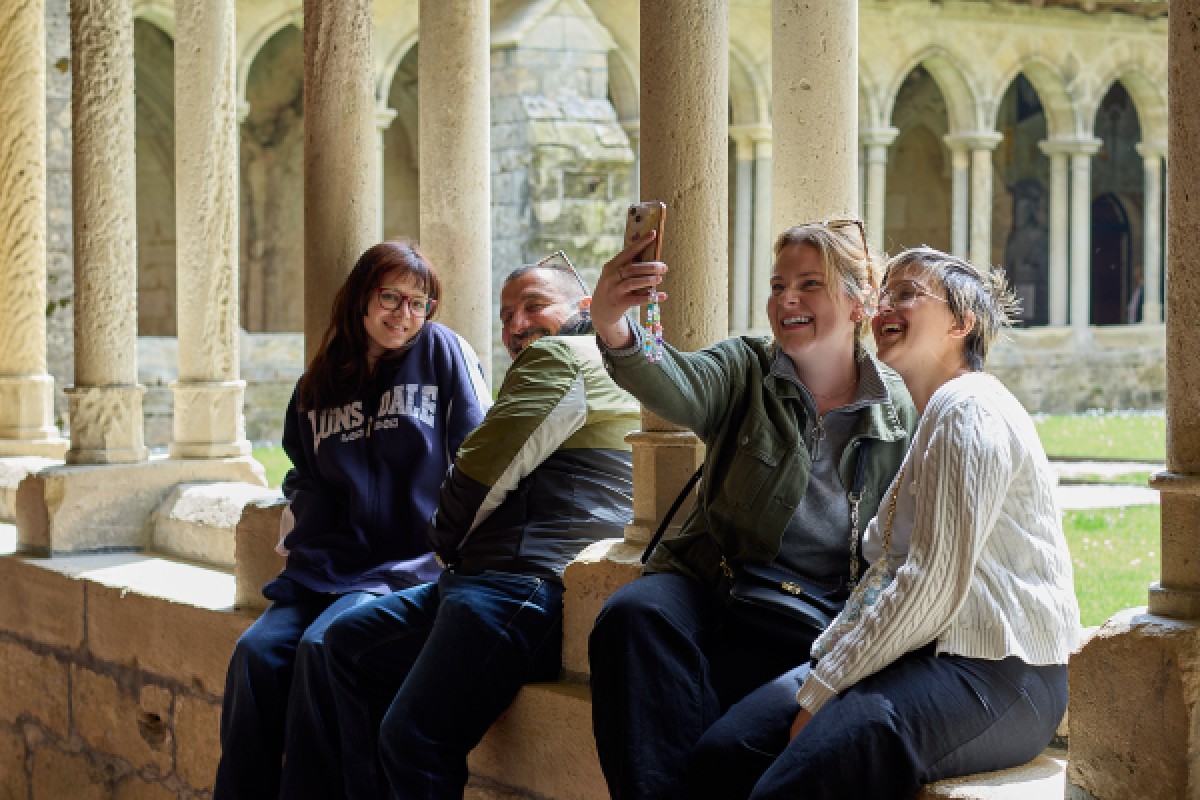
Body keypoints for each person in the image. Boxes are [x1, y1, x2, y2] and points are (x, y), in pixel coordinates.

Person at [687, 246, 1081, 800]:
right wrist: (828, 672)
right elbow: (891, 582)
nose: (885, 307)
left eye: (909, 294)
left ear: (961, 324)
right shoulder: (936, 414)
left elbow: (931, 583)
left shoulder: (970, 409)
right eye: (886, 294)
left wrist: (822, 690)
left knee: (792, 784)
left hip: (999, 676)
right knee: (724, 755)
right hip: (922, 658)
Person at [587, 221, 919, 800]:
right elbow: (673, 380)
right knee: (633, 616)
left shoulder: (900, 412)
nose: (787, 299)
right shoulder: (745, 368)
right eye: (778, 285)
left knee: (729, 733)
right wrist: (613, 323)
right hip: (715, 584)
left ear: (858, 302)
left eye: (809, 284)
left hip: (819, 615)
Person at [294, 257, 641, 799]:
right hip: (490, 576)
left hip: (522, 582)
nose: (517, 324)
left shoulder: (563, 356)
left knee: (414, 737)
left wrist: (443, 541)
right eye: (506, 316)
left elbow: (480, 472)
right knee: (346, 643)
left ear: (586, 307)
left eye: (534, 306)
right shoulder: (612, 366)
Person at [214, 241, 490, 800]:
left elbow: (479, 451)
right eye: (391, 297)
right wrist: (308, 533)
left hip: (405, 567)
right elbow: (302, 471)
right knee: (254, 656)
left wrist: (452, 545)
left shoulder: (441, 352)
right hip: (324, 568)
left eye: (419, 302)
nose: (405, 314)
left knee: (321, 647)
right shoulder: (318, 382)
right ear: (362, 296)